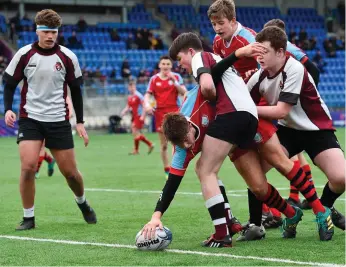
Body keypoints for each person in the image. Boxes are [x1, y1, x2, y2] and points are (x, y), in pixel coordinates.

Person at [165, 32, 306, 247]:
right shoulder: (216, 61)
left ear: (190, 52)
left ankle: (223, 232)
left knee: (205, 169)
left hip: (232, 116)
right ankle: (291, 212)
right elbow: (216, 74)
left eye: (179, 60)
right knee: (258, 185)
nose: (180, 66)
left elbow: (208, 87)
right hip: (249, 117)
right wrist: (238, 54)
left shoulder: (200, 58)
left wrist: (209, 94)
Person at [3, 9, 96, 230]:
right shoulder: (24, 54)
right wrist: (8, 109)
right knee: (27, 167)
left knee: (71, 174)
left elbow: (76, 90)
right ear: (37, 32)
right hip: (30, 119)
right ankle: (28, 218)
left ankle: (82, 203)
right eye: (46, 32)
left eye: (54, 32)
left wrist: (80, 122)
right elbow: (9, 83)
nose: (50, 36)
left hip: (58, 120)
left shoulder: (67, 56)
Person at [247, 26, 345, 231]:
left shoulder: (295, 68)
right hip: (288, 131)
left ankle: (325, 208)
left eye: (264, 52)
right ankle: (256, 225)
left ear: (281, 52)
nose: (259, 57)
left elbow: (281, 111)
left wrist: (247, 108)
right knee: (255, 173)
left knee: (341, 178)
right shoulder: (258, 77)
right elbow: (241, 106)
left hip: (317, 128)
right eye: (257, 52)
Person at [141, 84, 242, 245]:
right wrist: (156, 216)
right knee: (208, 171)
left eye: (186, 139)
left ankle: (233, 225)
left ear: (189, 125)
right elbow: (171, 185)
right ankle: (229, 221)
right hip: (224, 132)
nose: (187, 145)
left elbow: (210, 80)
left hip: (237, 116)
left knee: (207, 169)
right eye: (181, 144)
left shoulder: (197, 102)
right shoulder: (180, 152)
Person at [143, 56, 186, 178]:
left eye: (168, 64)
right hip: (160, 114)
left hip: (175, 112)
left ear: (171, 66)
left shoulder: (176, 77)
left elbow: (184, 92)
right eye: (163, 64)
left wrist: (174, 81)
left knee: (178, 142)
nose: (166, 66)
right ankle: (167, 169)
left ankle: (176, 168)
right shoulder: (154, 79)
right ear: (159, 65)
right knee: (164, 144)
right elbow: (147, 95)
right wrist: (146, 105)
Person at [120, 80, 154, 155]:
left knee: (135, 132)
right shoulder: (130, 97)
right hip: (134, 116)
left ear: (135, 87)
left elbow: (145, 105)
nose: (131, 88)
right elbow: (128, 106)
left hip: (139, 116)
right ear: (128, 88)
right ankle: (137, 150)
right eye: (130, 87)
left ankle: (149, 144)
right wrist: (124, 111)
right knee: (135, 133)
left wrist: (143, 116)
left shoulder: (138, 95)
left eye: (133, 86)